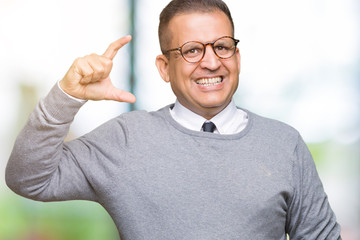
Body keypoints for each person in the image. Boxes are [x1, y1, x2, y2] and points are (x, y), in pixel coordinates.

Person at [6, 0, 342, 239]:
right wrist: (67, 96)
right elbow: (28, 178)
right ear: (164, 67)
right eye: (192, 50)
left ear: (237, 57)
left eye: (222, 46)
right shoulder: (126, 140)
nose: (211, 62)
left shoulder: (284, 144)